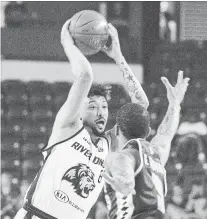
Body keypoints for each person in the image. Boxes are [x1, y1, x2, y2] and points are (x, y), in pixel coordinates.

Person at [14, 19, 149, 219]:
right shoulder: (68, 127)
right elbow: (85, 76)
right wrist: (67, 43)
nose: (101, 112)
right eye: (92, 107)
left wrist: (118, 57)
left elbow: (141, 104)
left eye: (104, 106)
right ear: (79, 111)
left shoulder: (109, 143)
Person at [103, 71, 190, 219]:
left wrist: (124, 180)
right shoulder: (155, 154)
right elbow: (165, 134)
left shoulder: (123, 156)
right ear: (148, 131)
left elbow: (123, 168)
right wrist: (175, 105)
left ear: (117, 129)